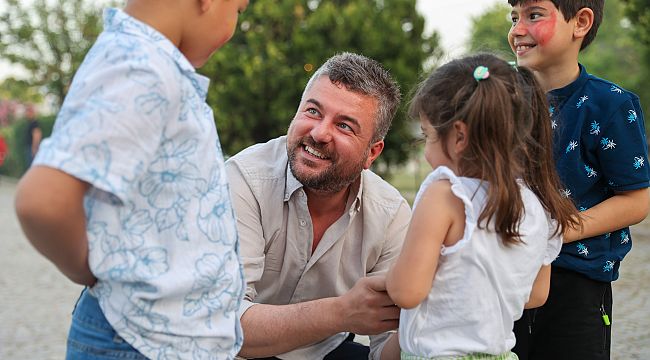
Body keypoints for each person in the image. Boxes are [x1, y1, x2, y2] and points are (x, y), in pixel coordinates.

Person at [14, 0, 250, 358]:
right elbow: (42, 200)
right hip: (140, 340)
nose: (234, 26)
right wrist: (87, 268)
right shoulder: (141, 68)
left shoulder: (146, 62)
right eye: (239, 10)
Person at [381, 53, 581, 360]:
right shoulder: (539, 205)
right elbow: (535, 295)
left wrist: (391, 277)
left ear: (459, 135)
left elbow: (407, 292)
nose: (427, 154)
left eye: (428, 137)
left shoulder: (446, 194)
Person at [225, 52, 410, 360]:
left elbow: (386, 351)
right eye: (313, 111)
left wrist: (422, 321)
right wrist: (342, 313)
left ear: (372, 153)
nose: (320, 133)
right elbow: (224, 325)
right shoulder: (243, 180)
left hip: (324, 351)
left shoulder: (391, 217)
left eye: (345, 126)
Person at [507, 1, 650, 359]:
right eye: (514, 17)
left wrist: (555, 230)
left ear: (580, 22)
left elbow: (636, 200)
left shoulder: (610, 104)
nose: (517, 29)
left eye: (534, 15)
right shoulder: (498, 99)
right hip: (503, 276)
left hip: (578, 283)